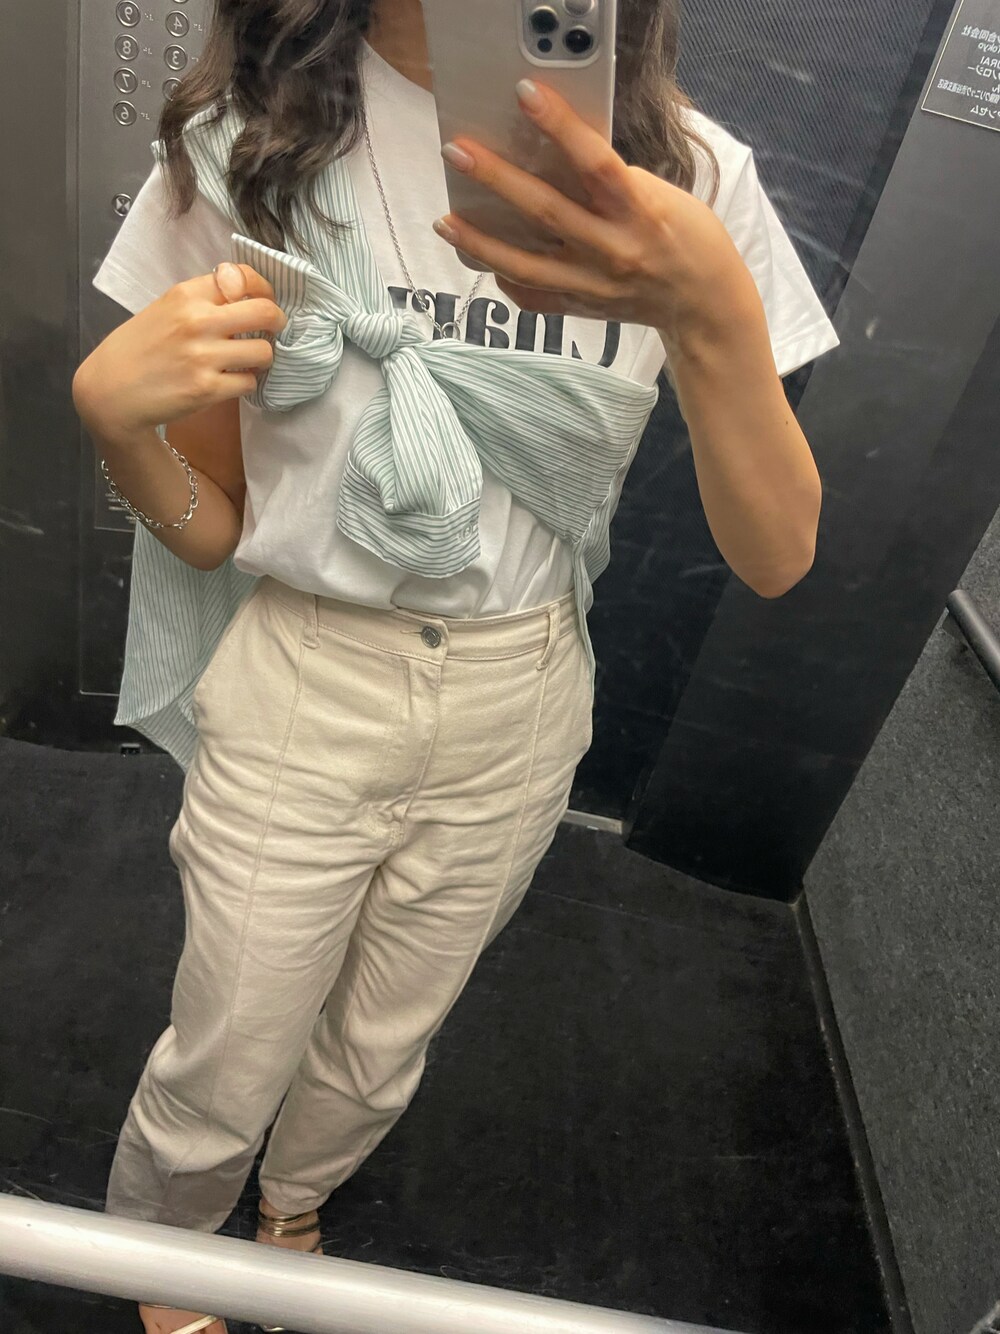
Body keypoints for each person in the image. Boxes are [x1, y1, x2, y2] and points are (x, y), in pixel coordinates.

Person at [72, 1, 838, 1330]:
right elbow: (219, 529)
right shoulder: (252, 141)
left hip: (518, 694)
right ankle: (167, 1253)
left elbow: (776, 556)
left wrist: (710, 304)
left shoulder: (687, 179)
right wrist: (115, 424)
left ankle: (297, 1204)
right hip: (309, 675)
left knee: (384, 1040)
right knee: (229, 1039)